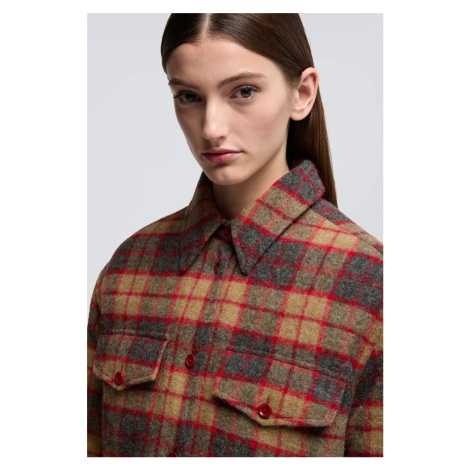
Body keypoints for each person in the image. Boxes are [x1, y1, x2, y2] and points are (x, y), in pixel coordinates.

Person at [87, 13, 383, 457]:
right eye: (188, 96)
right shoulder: (129, 268)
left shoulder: (370, 283)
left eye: (243, 91)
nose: (211, 128)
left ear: (302, 93)